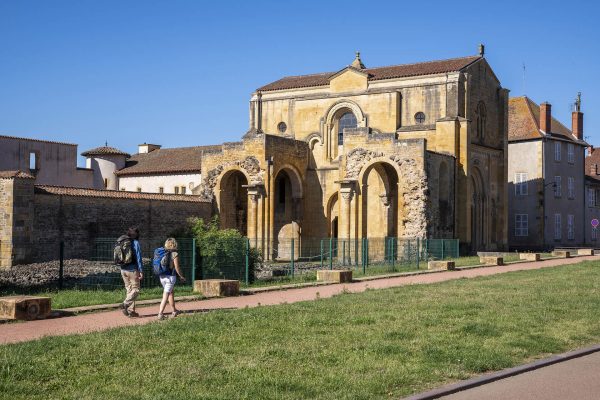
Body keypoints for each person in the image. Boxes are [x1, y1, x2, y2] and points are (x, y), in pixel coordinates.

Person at [157, 238, 186, 320]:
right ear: (174, 244)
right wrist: (181, 276)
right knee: (165, 295)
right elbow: (176, 267)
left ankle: (174, 310)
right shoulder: (174, 254)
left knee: (170, 293)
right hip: (170, 277)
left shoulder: (162, 252)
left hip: (162, 276)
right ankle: (160, 314)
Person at [120, 227, 143, 318]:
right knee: (136, 290)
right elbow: (138, 258)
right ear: (137, 234)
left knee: (129, 290)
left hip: (123, 269)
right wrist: (141, 270)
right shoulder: (136, 243)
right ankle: (125, 304)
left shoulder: (122, 241)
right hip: (132, 270)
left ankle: (131, 311)